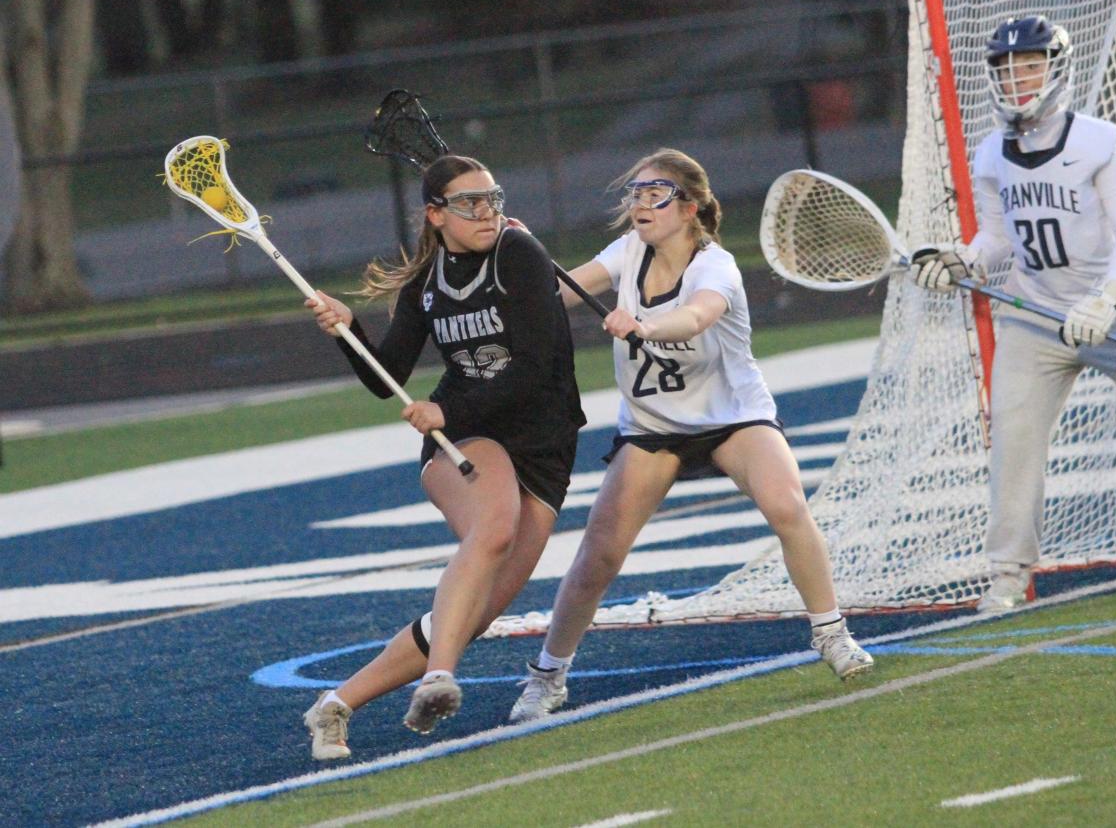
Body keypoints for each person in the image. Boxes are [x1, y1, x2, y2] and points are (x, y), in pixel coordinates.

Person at [508, 148, 873, 723]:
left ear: (691, 207)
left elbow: (697, 317)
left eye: (656, 193)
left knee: (787, 504)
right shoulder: (628, 253)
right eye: (636, 194)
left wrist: (644, 325)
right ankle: (548, 674)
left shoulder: (715, 266)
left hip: (733, 417)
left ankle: (830, 633)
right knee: (598, 556)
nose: (641, 205)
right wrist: (523, 257)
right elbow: (557, 292)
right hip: (654, 428)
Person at [910, 14, 1116, 613]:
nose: (1018, 79)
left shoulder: (1095, 140)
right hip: (1036, 317)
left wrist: (1108, 297)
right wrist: (961, 260)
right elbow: (995, 238)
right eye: (1007, 69)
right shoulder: (991, 155)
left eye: (1030, 65)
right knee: (1013, 438)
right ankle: (1008, 574)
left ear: (1055, 70)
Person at [301, 154, 586, 759]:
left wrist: (445, 411)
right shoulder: (426, 283)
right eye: (469, 203)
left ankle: (335, 705)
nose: (486, 211)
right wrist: (351, 332)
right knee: (492, 527)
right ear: (435, 215)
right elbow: (389, 378)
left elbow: (536, 371)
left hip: (544, 440)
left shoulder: (520, 256)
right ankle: (438, 679)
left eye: (492, 198)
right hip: (468, 438)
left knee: (473, 615)